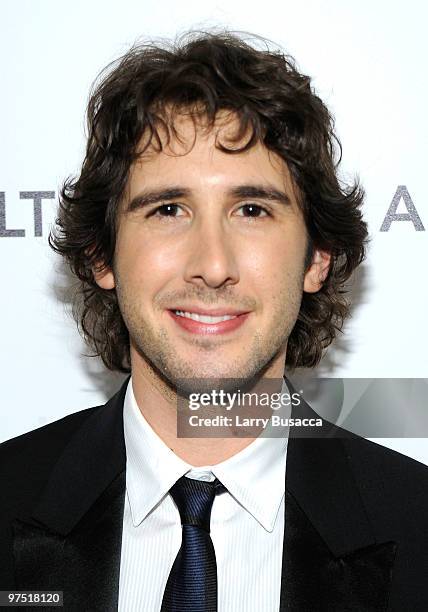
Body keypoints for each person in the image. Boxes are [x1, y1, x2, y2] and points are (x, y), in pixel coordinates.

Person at [1, 30, 427, 612]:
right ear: (102, 254)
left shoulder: (416, 522)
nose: (213, 266)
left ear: (317, 258)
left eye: (251, 210)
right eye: (168, 209)